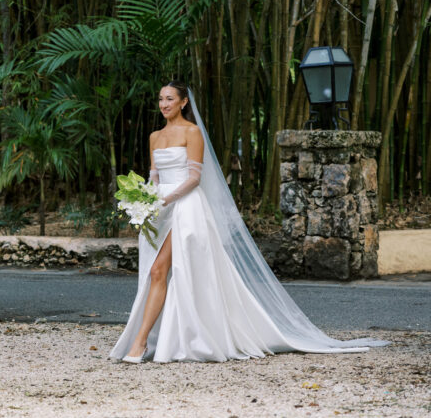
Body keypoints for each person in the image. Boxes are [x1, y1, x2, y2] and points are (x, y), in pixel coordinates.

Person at [110, 81, 386, 363]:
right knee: (157, 273)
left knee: (162, 270)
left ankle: (142, 342)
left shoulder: (192, 133)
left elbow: (194, 178)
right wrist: (143, 200)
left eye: (169, 99)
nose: (164, 104)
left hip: (185, 208)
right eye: (160, 100)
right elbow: (154, 175)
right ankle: (160, 338)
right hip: (160, 211)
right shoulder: (155, 136)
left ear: (183, 102)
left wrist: (164, 200)